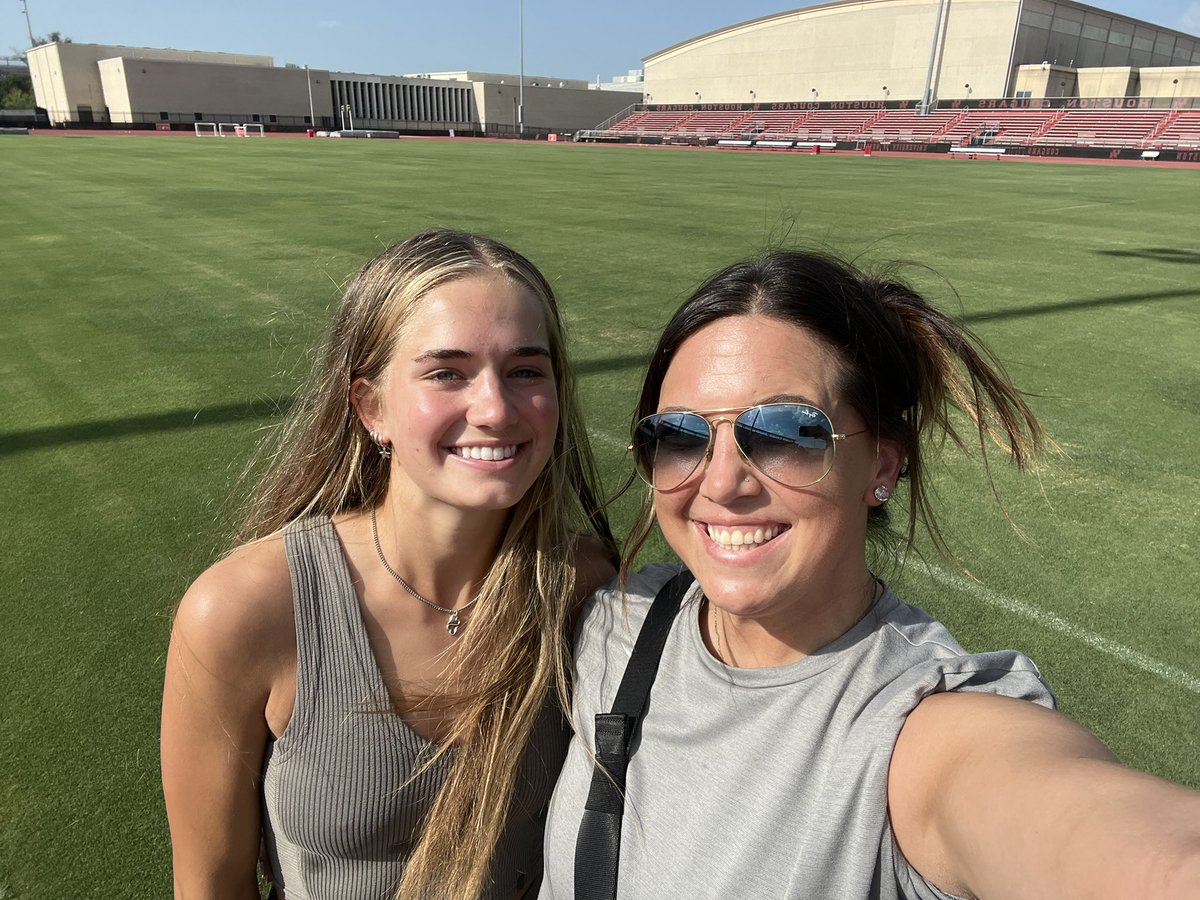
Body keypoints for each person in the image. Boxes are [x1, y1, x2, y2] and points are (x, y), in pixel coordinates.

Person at [541, 250, 1200, 898]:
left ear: (883, 468)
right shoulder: (612, 619)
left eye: (786, 433)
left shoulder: (918, 724)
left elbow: (1108, 840)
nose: (720, 483)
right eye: (679, 436)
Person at [162, 229, 617, 900]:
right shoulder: (246, 609)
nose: (494, 408)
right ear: (370, 407)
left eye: (526, 370)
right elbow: (212, 885)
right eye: (446, 373)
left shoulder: (584, 590)